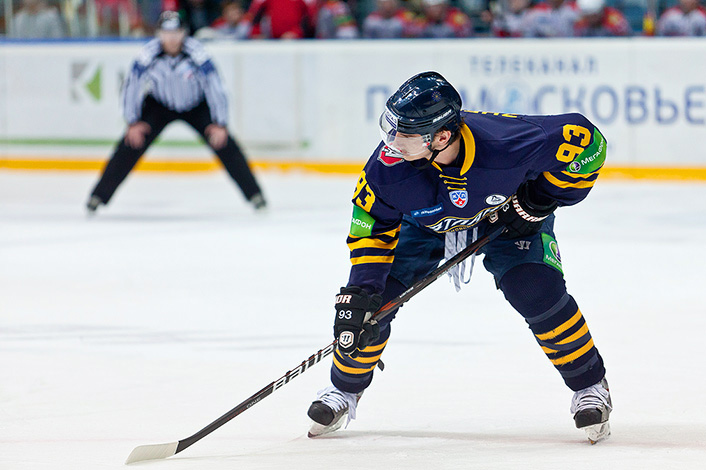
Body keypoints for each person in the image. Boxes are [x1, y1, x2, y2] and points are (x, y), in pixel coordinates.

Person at [306, 72, 612, 444]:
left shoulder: (506, 144)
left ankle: (590, 386)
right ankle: (343, 390)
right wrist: (361, 290)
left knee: (535, 291)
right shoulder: (386, 170)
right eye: (392, 129)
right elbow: (371, 228)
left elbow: (588, 142)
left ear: (441, 137)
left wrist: (538, 199)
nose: (393, 142)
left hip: (508, 217)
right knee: (373, 305)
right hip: (424, 226)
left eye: (405, 135)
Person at [86, 11, 266, 214]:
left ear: (184, 33)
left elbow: (216, 86)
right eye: (166, 33)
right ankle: (98, 196)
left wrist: (220, 123)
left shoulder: (198, 54)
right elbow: (132, 86)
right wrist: (132, 121)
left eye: (176, 33)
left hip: (196, 105)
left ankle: (255, 195)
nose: (171, 38)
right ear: (159, 34)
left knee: (225, 144)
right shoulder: (147, 56)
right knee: (131, 144)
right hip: (159, 105)